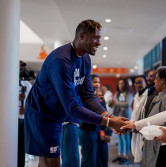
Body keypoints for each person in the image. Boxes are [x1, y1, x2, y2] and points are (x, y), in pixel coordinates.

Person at [24, 19, 127, 167]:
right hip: (42, 115)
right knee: (52, 162)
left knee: (47, 161)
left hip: (56, 114)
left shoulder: (85, 58)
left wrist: (109, 117)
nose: (99, 42)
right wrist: (110, 122)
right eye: (96, 38)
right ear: (82, 36)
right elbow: (72, 107)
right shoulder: (61, 60)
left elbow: (87, 95)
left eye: (99, 38)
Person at [141, 67, 166, 167]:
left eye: (156, 78)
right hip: (157, 144)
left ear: (163, 80)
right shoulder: (163, 95)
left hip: (161, 147)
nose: (154, 81)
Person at [79, 74, 112, 167]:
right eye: (94, 82)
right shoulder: (82, 96)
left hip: (100, 132)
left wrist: (107, 132)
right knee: (90, 160)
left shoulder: (101, 97)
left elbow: (106, 114)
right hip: (87, 131)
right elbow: (82, 114)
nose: (97, 84)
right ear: (89, 83)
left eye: (98, 82)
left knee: (102, 158)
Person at [110, 78, 133, 165]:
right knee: (119, 138)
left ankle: (125, 157)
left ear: (125, 84)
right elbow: (114, 106)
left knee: (125, 138)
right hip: (117, 118)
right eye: (119, 84)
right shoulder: (117, 93)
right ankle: (120, 156)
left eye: (122, 84)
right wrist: (111, 103)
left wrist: (115, 102)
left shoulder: (129, 93)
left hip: (126, 119)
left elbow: (127, 104)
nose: (120, 85)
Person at [18, 61, 32, 167]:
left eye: (23, 68)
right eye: (20, 68)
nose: (22, 70)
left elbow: (32, 101)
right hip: (11, 120)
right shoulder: (8, 82)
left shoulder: (27, 84)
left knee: (22, 147)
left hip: (24, 119)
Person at [130, 75, 147, 163]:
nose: (138, 85)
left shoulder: (148, 95)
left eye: (140, 82)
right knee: (137, 149)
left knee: (143, 150)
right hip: (135, 125)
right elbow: (135, 112)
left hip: (142, 127)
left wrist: (139, 126)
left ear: (145, 82)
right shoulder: (136, 95)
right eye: (136, 83)